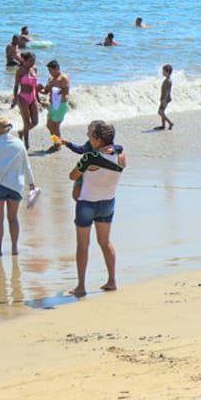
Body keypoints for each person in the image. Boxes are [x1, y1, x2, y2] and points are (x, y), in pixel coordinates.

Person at [69, 120, 125, 296]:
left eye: (90, 134)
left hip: (87, 203)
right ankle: (112, 280)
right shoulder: (121, 155)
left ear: (98, 139)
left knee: (83, 246)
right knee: (105, 242)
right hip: (107, 202)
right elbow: (119, 148)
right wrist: (114, 149)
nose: (87, 137)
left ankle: (81, 286)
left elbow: (72, 176)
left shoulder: (90, 158)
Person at [0, 118, 37, 258]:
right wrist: (31, 183)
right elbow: (26, 164)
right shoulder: (18, 144)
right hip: (15, 186)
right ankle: (14, 248)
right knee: (13, 219)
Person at [12, 51, 41, 150]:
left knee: (35, 122)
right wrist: (14, 99)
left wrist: (38, 98)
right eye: (30, 61)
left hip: (32, 97)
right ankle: (26, 145)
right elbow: (16, 86)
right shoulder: (20, 71)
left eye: (34, 61)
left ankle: (21, 132)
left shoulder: (34, 69)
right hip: (23, 97)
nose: (32, 63)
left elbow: (35, 86)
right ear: (24, 61)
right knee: (26, 122)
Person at [43, 60, 71, 149]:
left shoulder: (63, 78)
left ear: (57, 68)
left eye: (51, 70)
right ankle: (57, 142)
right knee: (49, 125)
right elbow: (46, 90)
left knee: (56, 126)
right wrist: (40, 89)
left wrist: (56, 92)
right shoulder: (51, 78)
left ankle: (57, 144)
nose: (50, 73)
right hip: (52, 105)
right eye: (49, 71)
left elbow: (66, 91)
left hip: (61, 104)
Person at [158, 64, 175, 130]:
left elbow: (167, 91)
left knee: (160, 112)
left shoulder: (168, 81)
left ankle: (170, 123)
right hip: (164, 98)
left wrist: (164, 100)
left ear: (167, 72)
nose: (162, 72)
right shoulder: (167, 80)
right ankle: (163, 125)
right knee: (162, 112)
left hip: (165, 99)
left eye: (163, 71)